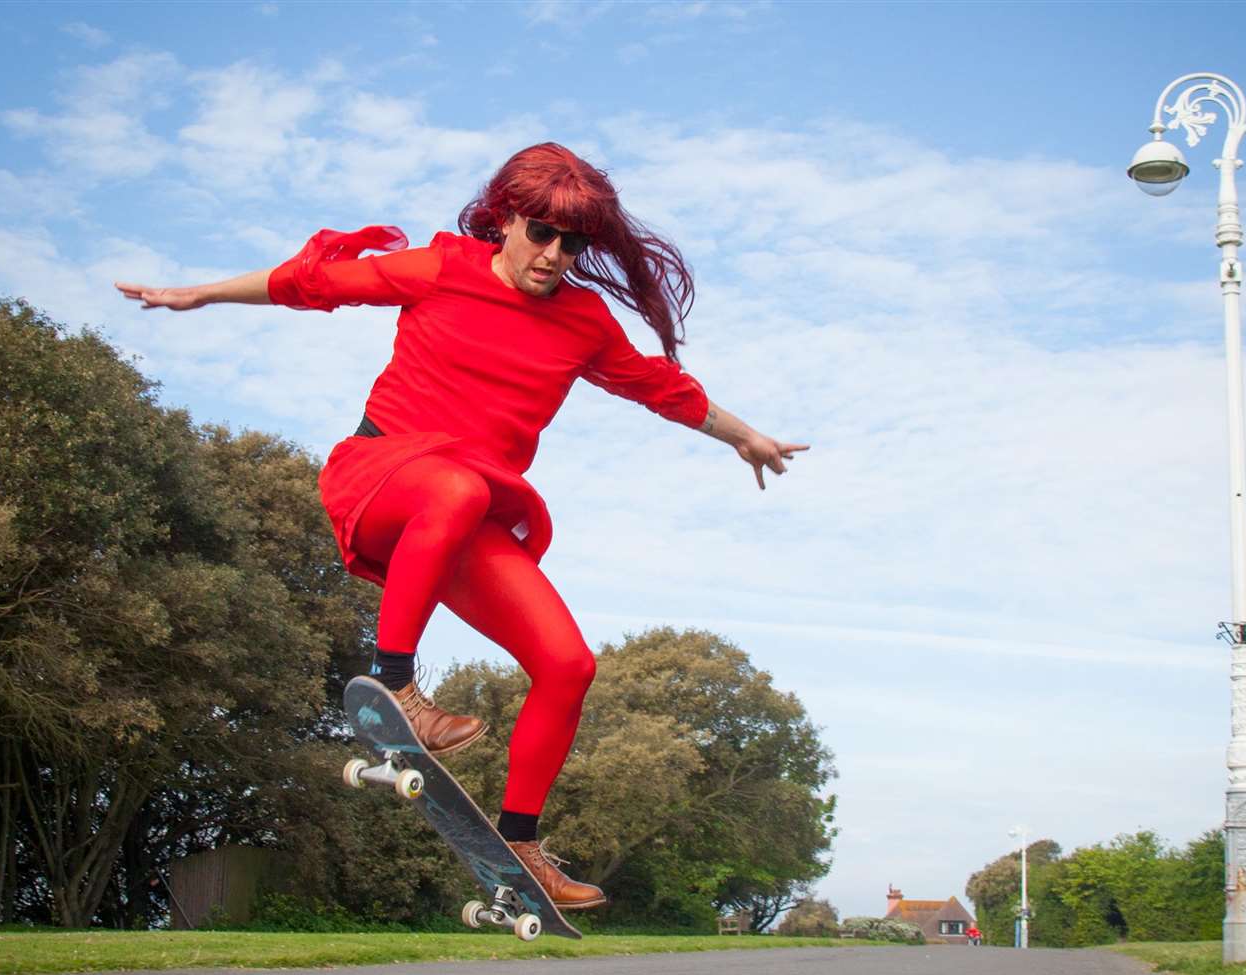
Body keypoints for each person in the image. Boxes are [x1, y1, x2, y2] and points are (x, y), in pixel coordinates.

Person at [115, 143, 808, 910]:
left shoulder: (582, 321)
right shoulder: (442, 269)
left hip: (464, 512)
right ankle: (398, 684)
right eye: (541, 233)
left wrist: (744, 434)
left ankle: (521, 846)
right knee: (453, 487)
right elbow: (314, 284)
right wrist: (200, 295)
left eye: (572, 243)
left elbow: (659, 388)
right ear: (506, 219)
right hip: (384, 478)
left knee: (568, 664)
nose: (554, 255)